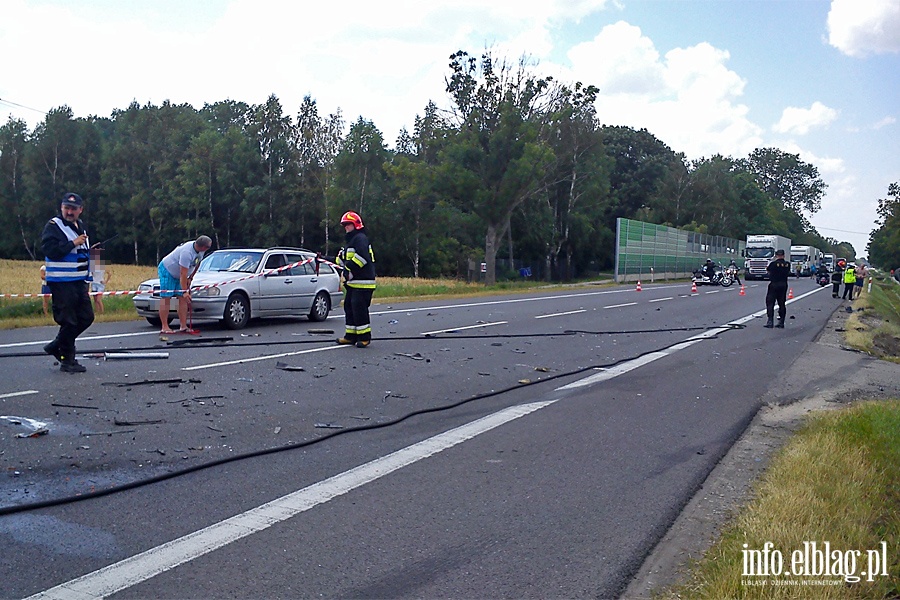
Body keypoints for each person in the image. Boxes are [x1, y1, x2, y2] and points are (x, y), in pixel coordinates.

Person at [40, 192, 94, 373]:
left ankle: (56, 345)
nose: (69, 212)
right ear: (61, 208)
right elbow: (50, 250)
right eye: (66, 208)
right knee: (68, 321)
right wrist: (73, 243)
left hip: (78, 281)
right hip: (61, 282)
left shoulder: (81, 226)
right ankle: (67, 360)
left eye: (73, 209)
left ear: (81, 210)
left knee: (86, 317)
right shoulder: (54, 226)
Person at [335, 211, 376, 348]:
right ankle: (350, 336)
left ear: (356, 225)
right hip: (353, 284)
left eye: (348, 224)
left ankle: (364, 337)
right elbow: (341, 261)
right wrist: (323, 258)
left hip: (364, 283)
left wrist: (348, 268)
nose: (345, 227)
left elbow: (362, 258)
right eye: (344, 225)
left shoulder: (360, 238)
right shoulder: (351, 242)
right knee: (349, 307)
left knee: (359, 308)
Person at [158, 236, 212, 334]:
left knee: (182, 299)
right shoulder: (186, 253)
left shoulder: (200, 251)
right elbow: (182, 273)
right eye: (208, 247)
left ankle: (183, 325)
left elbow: (197, 263)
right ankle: (164, 326)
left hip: (182, 274)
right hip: (168, 271)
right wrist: (185, 291)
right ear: (203, 247)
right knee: (166, 298)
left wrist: (191, 277)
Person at [764, 248, 792, 328]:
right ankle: (781, 322)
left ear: (776, 255)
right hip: (783, 285)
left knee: (770, 302)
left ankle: (770, 321)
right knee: (782, 303)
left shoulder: (773, 264)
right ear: (783, 255)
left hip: (774, 284)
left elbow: (768, 271)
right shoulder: (787, 264)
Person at [90, 248, 111, 313]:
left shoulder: (103, 264)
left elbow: (109, 273)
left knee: (99, 300)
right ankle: (97, 312)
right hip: (94, 283)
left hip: (100, 284)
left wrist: (106, 281)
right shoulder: (92, 265)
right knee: (95, 300)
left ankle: (102, 312)